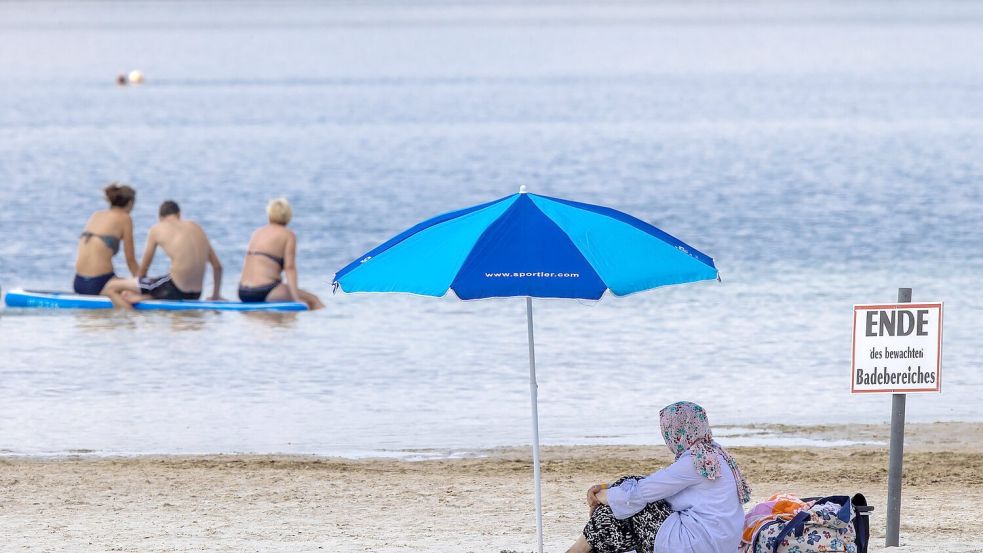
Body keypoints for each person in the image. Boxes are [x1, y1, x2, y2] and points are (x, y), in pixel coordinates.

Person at [566, 401, 751, 553]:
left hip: (696, 543)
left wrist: (599, 497)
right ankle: (584, 549)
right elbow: (658, 487)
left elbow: (642, 492)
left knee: (625, 499)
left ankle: (577, 550)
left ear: (677, 430)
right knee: (623, 503)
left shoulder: (694, 461)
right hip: (719, 542)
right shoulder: (714, 454)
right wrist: (609, 489)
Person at [104, 200, 223, 308]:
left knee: (111, 287)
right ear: (179, 214)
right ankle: (146, 297)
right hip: (196, 294)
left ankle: (132, 317)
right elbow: (217, 267)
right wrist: (215, 296)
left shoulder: (157, 229)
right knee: (156, 284)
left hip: (175, 290)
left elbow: (143, 269)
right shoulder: (197, 227)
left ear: (160, 217)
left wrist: (136, 288)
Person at [237, 198, 324, 310]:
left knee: (282, 320)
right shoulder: (288, 234)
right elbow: (290, 268)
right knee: (314, 300)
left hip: (243, 292)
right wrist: (295, 298)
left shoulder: (257, 233)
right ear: (288, 216)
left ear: (269, 214)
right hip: (265, 291)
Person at [74, 183, 139, 296]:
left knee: (123, 282)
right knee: (134, 290)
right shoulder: (125, 219)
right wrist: (143, 285)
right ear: (130, 203)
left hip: (79, 283)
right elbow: (130, 260)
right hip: (100, 283)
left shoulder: (96, 215)